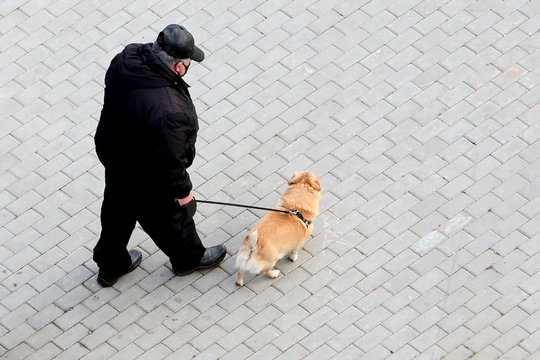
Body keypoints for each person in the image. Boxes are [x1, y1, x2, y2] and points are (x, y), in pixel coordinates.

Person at [93, 24, 226, 287]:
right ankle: (189, 258)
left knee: (117, 211)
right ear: (178, 67)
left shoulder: (127, 59)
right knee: (169, 217)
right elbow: (170, 161)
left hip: (116, 155)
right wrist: (184, 193)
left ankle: (110, 264)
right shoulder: (169, 110)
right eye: (188, 63)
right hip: (147, 171)